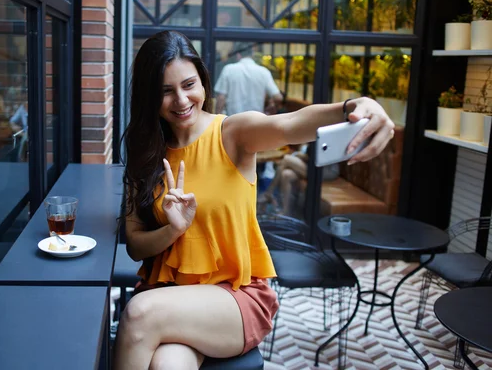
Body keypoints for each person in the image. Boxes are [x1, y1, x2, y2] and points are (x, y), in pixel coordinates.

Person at [115, 30, 395, 370]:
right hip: (171, 296)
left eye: (189, 85)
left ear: (203, 83)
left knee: (138, 312)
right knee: (167, 364)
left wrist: (355, 106)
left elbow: (292, 123)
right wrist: (173, 231)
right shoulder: (144, 152)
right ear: (149, 96)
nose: (181, 100)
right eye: (165, 91)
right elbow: (135, 246)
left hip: (232, 298)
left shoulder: (233, 133)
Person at [259, 144, 339, 215]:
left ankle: (268, 193)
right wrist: (302, 155)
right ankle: (286, 211)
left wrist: (303, 156)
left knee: (287, 159)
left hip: (327, 170)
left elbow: (321, 155)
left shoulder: (325, 130)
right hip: (313, 166)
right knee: (286, 174)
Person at [214, 42, 283, 115]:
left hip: (233, 120)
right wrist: (271, 108)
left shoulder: (228, 70)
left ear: (238, 55)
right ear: (252, 55)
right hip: (256, 122)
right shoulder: (263, 72)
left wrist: (217, 118)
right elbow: (278, 97)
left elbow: (221, 98)